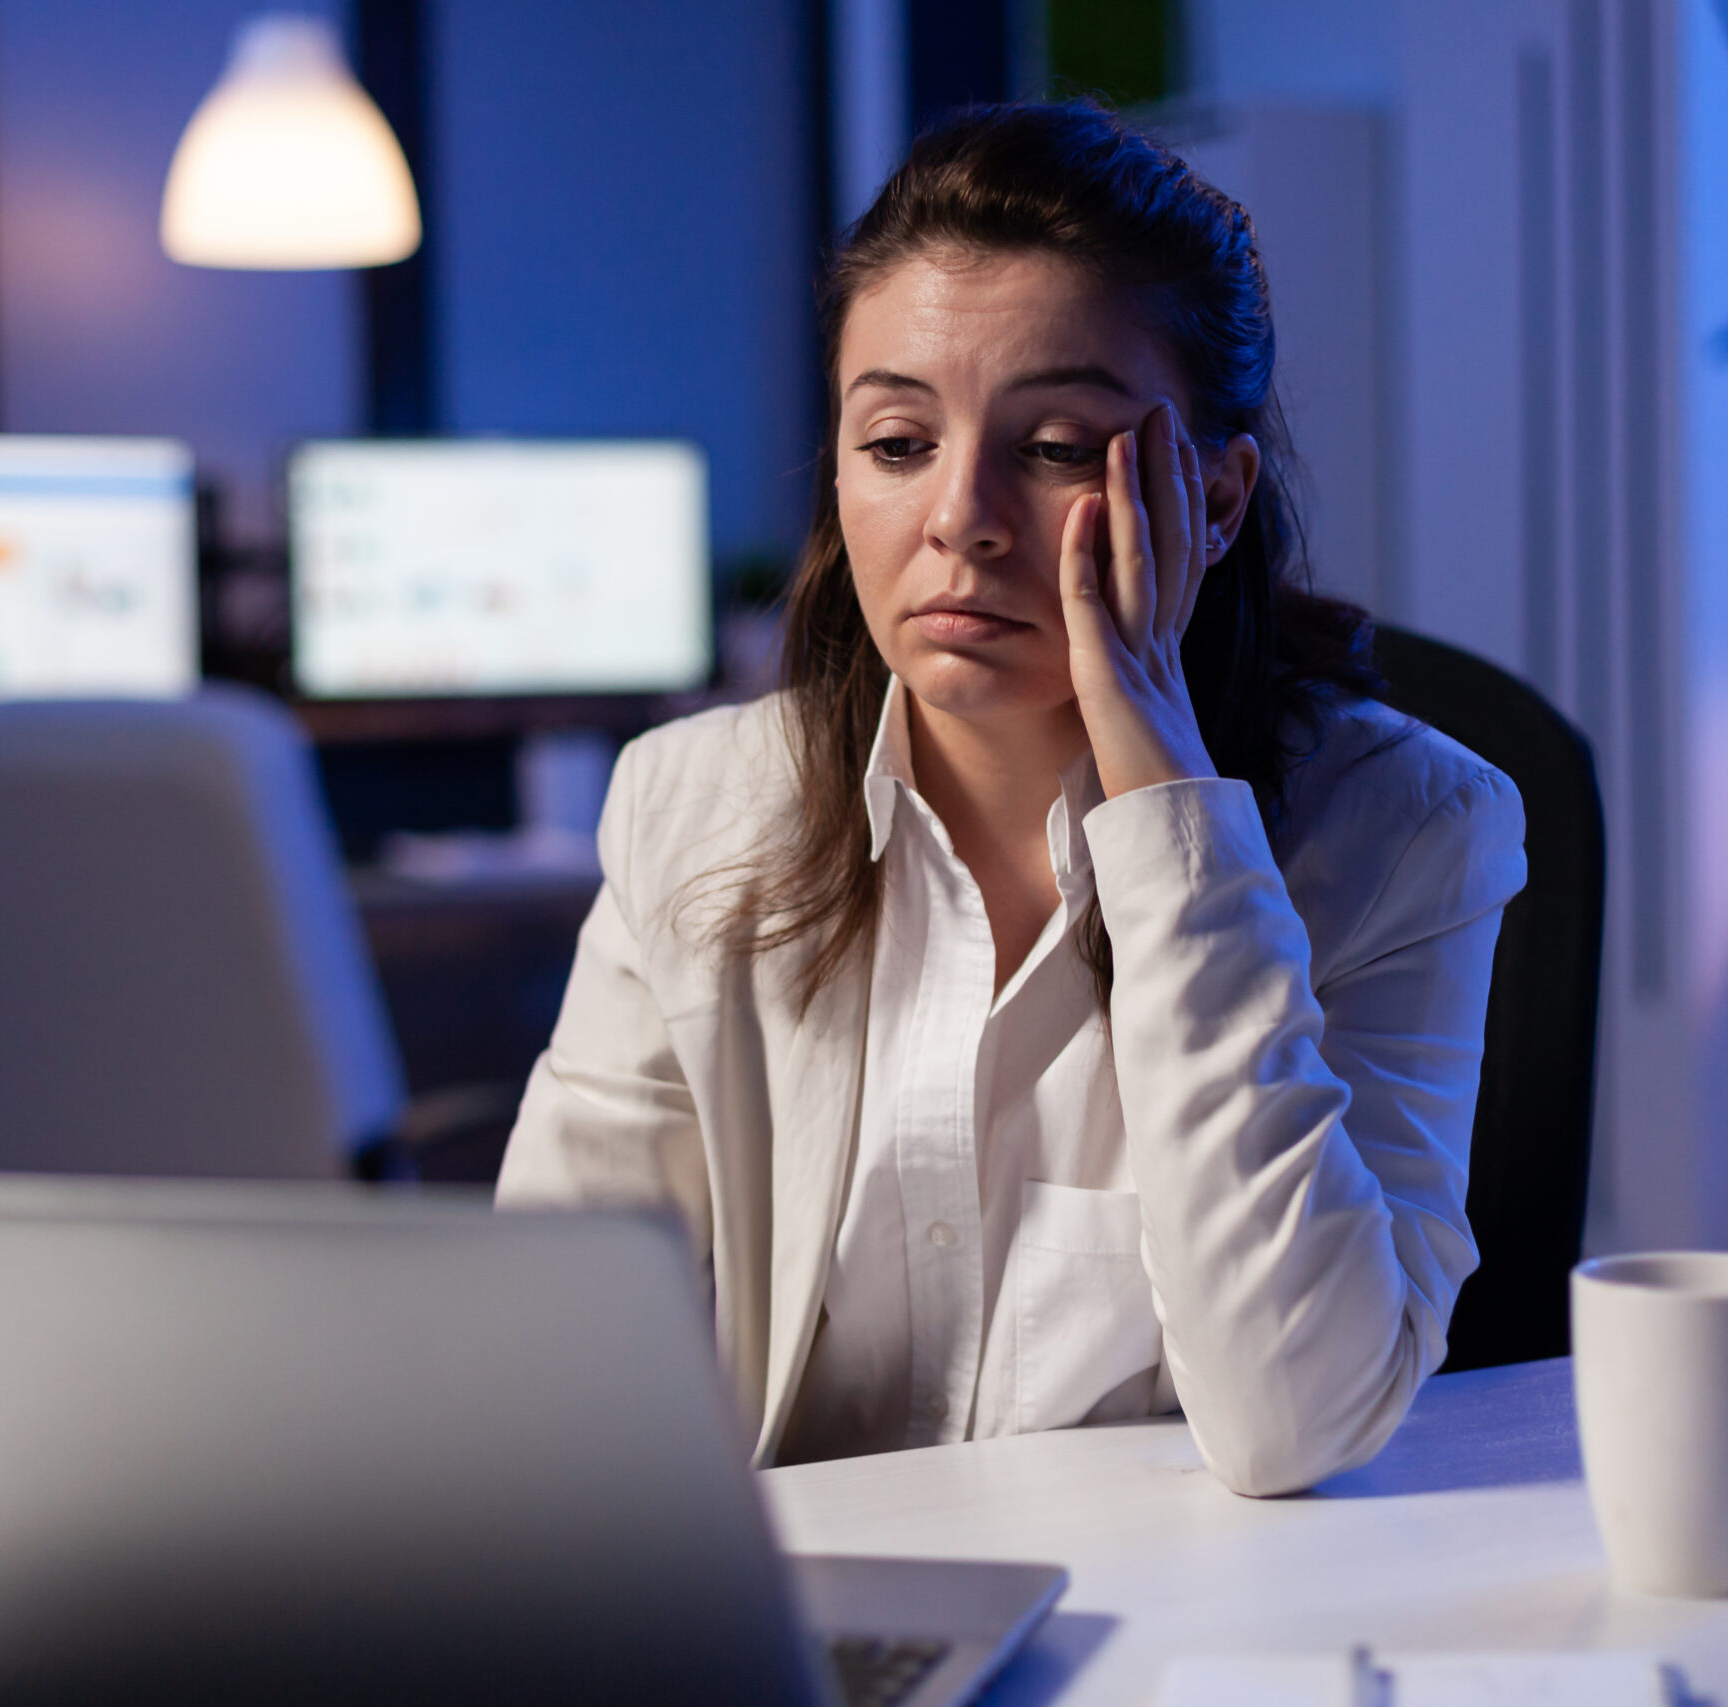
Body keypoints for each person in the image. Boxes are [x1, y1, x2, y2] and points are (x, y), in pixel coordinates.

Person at [498, 102, 1526, 1498]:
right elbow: (542, 1370)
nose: (959, 517)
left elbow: (1301, 1416)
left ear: (1215, 501)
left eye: (1051, 448)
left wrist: (1167, 802)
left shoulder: (1408, 833)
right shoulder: (689, 809)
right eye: (899, 442)